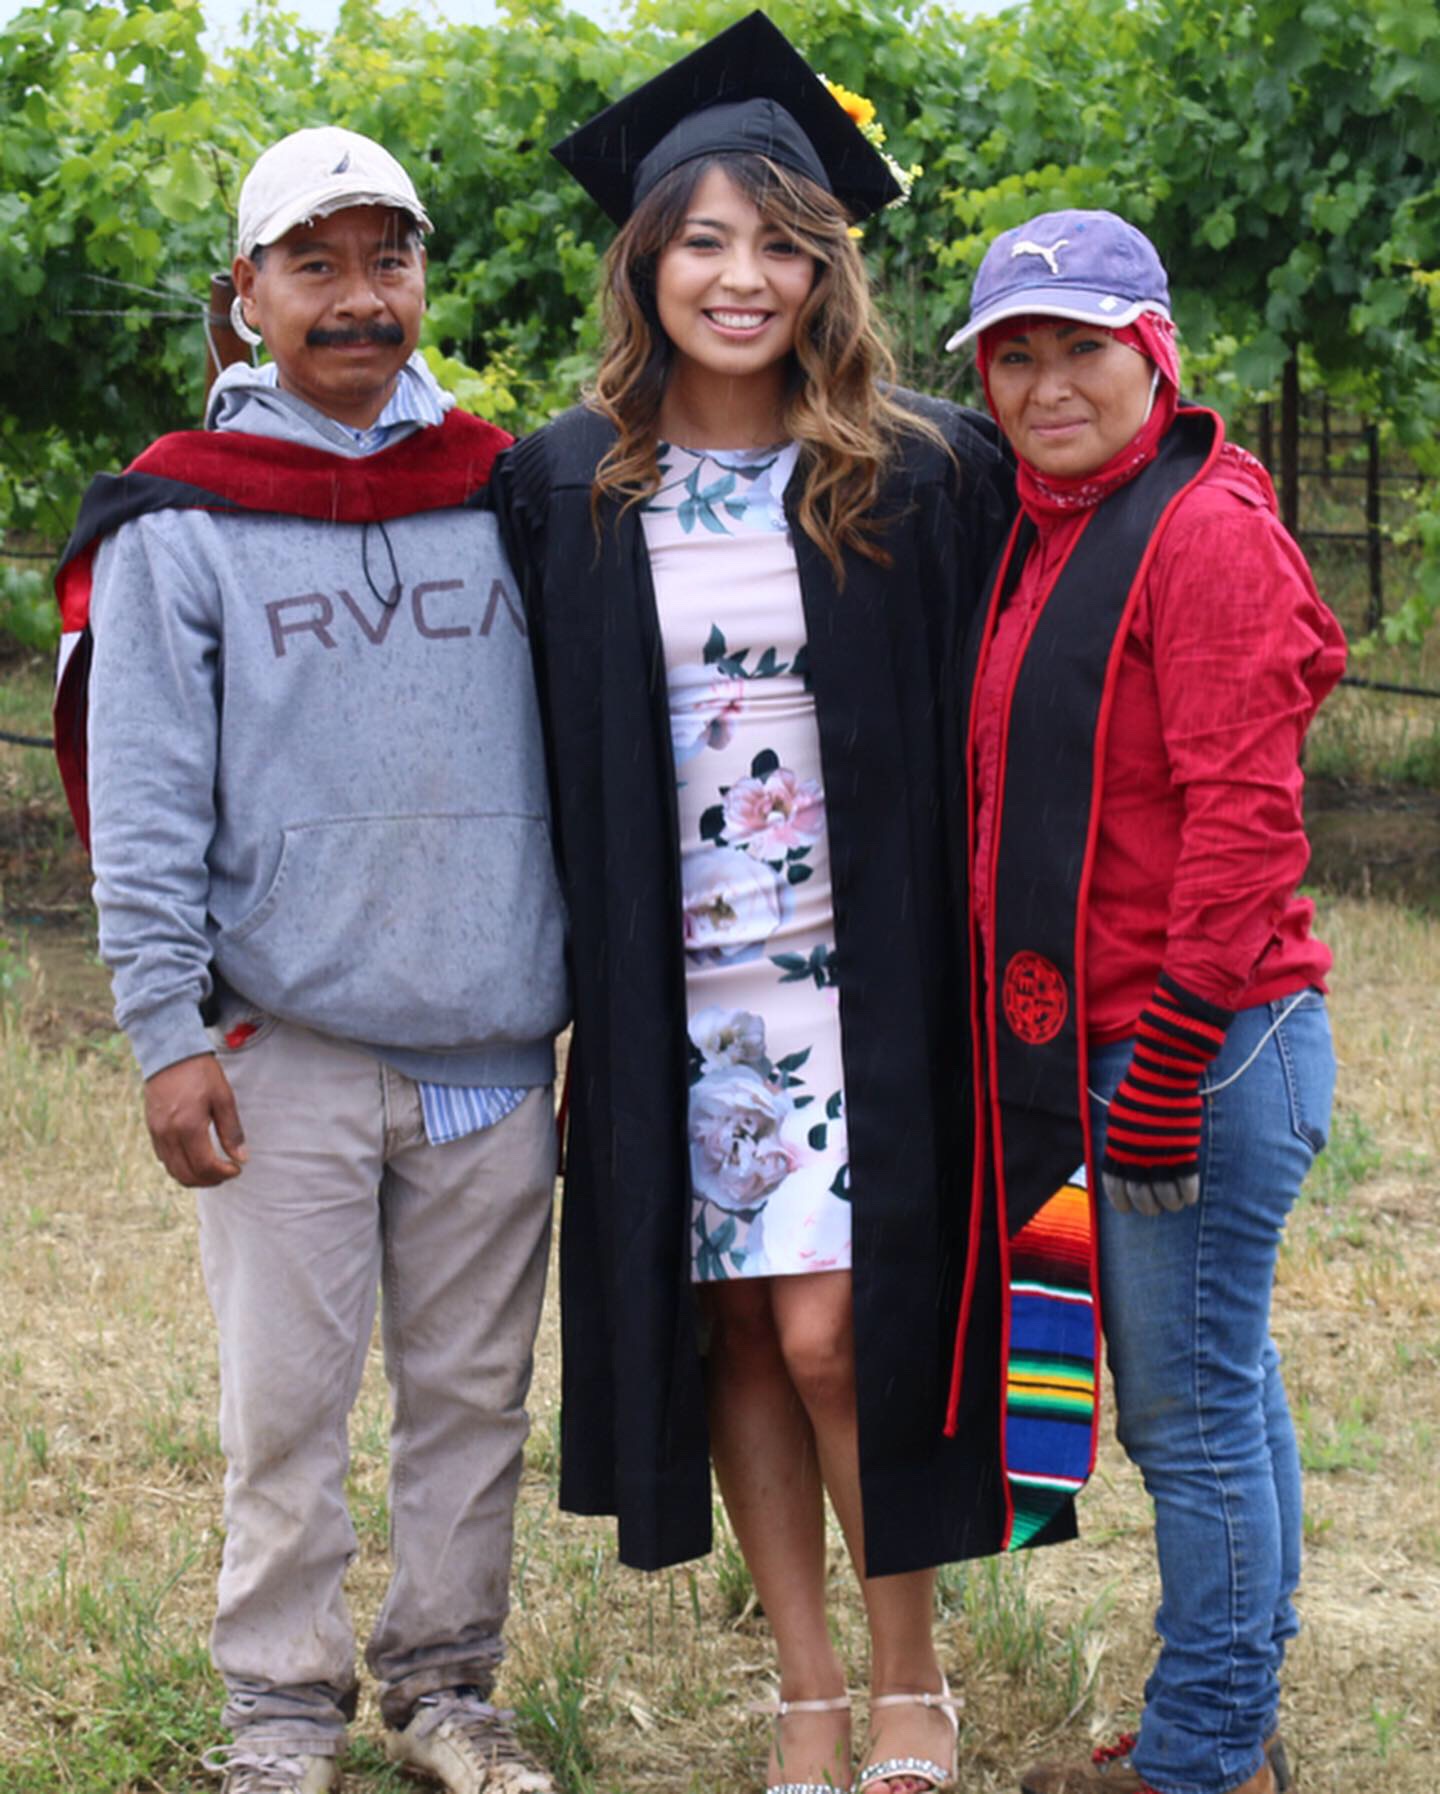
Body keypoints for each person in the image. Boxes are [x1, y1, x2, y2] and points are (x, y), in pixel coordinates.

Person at [494, 16, 1054, 1794]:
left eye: (782, 241)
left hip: (861, 981)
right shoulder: (569, 480)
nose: (744, 277)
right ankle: (806, 1693)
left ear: (828, 265)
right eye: (707, 240)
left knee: (836, 1323)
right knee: (736, 1317)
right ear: (646, 256)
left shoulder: (926, 467)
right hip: (680, 989)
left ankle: (913, 1675)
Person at [53, 127, 569, 1794]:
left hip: (490, 1036)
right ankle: (280, 1706)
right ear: (248, 293)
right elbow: (138, 804)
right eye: (316, 264)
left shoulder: (508, 492)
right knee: (283, 1406)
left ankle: (446, 1690)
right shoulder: (180, 521)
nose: (359, 299)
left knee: (475, 1397)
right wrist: (163, 1030)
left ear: (424, 279)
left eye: (388, 260)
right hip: (282, 1041)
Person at [943, 210, 1347, 1794]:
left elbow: (1248, 823)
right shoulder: (1058, 526)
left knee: (1189, 1422)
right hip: (1140, 1031)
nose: (1048, 382)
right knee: (1227, 1393)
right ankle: (1231, 1730)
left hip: (1202, 1038)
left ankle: (1197, 1760)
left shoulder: (1203, 532)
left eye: (1082, 348)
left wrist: (1167, 1060)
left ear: (1155, 351)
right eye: (1015, 355)